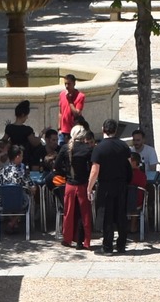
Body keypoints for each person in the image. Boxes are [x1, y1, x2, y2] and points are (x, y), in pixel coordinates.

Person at [90, 118, 137, 255]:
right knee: (121, 215)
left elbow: (95, 170)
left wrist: (89, 187)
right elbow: (128, 166)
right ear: (116, 130)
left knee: (107, 216)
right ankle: (121, 245)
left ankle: (107, 247)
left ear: (103, 129)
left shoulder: (99, 148)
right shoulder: (124, 146)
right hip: (121, 184)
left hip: (105, 185)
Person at [60, 124, 94, 249]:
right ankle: (84, 241)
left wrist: (67, 173)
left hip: (70, 185)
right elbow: (92, 167)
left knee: (68, 212)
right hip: (83, 185)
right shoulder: (88, 149)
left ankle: (67, 239)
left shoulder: (65, 148)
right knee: (84, 213)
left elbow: (57, 166)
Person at [57, 73, 87, 138]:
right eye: (65, 84)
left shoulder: (80, 96)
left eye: (69, 84)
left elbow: (77, 114)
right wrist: (59, 127)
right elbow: (60, 112)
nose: (66, 86)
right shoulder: (62, 94)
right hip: (62, 131)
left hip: (74, 130)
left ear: (74, 83)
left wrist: (70, 101)